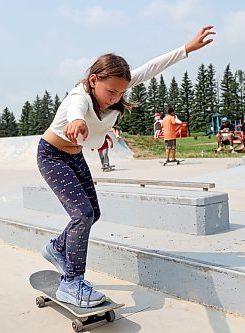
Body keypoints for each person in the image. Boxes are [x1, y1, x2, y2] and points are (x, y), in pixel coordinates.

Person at [37, 26, 215, 308]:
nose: (115, 98)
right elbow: (75, 108)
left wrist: (186, 49)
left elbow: (151, 68)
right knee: (82, 214)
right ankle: (71, 282)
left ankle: (58, 248)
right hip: (52, 156)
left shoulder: (115, 90)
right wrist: (77, 121)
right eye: (110, 91)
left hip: (74, 157)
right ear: (94, 80)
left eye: (120, 92)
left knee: (92, 213)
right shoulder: (79, 96)